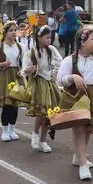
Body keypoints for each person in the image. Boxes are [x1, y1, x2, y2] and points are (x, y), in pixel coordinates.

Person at [56, 28, 93, 181]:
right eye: (92, 39)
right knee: (79, 129)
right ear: (82, 42)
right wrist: (73, 77)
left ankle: (78, 157)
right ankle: (83, 163)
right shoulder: (70, 60)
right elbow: (60, 79)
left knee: (88, 128)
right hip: (77, 97)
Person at [21, 25, 62, 153]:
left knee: (50, 113)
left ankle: (43, 140)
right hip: (38, 84)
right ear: (39, 37)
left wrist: (55, 71)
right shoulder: (31, 52)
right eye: (47, 37)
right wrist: (28, 70)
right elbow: (23, 70)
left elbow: (60, 62)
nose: (50, 40)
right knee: (41, 111)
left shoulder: (52, 50)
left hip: (50, 83)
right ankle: (35, 133)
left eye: (50, 37)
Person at [0, 21, 25, 142]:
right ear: (5, 32)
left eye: (15, 30)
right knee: (7, 104)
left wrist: (24, 70)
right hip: (4, 76)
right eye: (11, 30)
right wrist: (1, 64)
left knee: (15, 104)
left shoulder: (21, 46)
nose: (14, 33)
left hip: (16, 76)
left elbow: (25, 62)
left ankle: (12, 129)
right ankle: (4, 131)